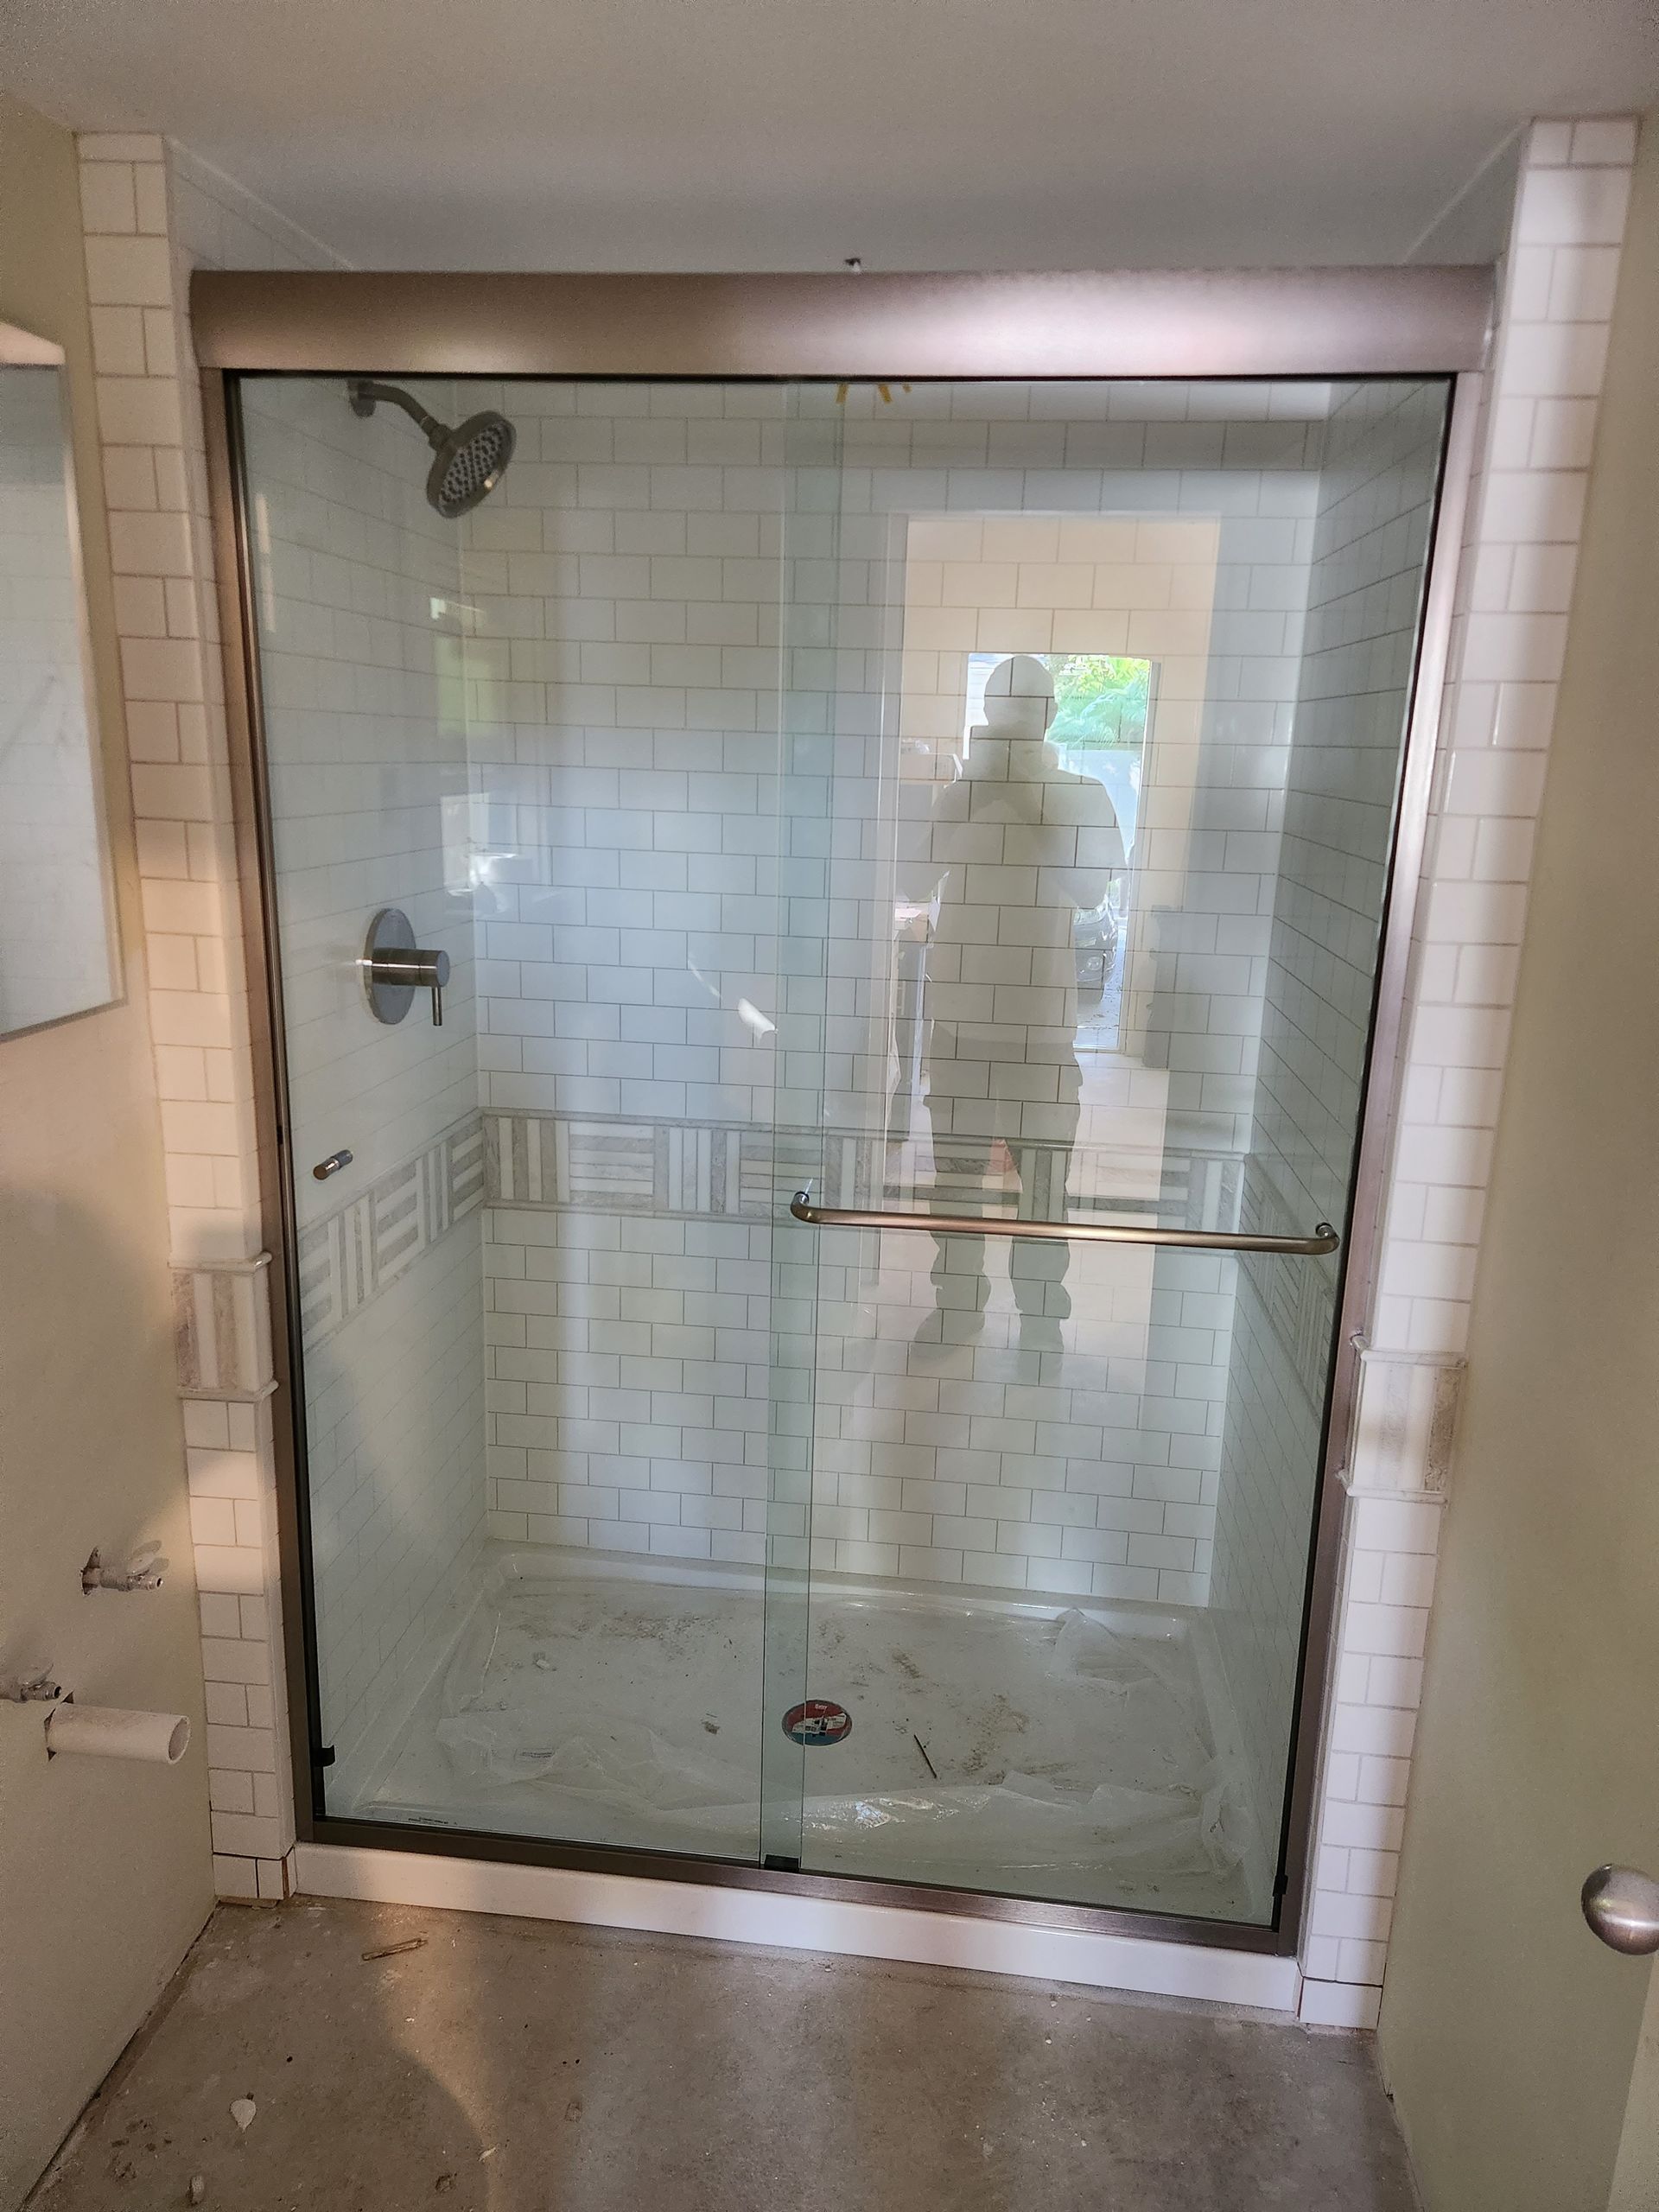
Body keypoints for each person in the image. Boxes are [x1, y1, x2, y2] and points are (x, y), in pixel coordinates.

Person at [894, 653, 1125, 1352]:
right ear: (990, 715)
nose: (1016, 719)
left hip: (1041, 1032)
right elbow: (911, 880)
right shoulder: (960, 794)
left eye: (1025, 707)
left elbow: (1089, 891)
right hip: (962, 1027)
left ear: (1049, 715)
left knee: (1044, 1186)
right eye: (1005, 708)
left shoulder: (1080, 795)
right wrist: (970, 794)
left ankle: (1041, 1322)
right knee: (956, 1182)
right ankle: (959, 1308)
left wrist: (1024, 796)